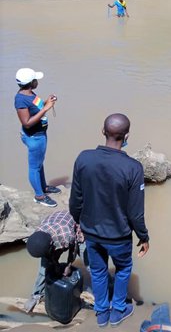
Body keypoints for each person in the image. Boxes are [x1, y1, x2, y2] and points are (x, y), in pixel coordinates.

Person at [69, 113, 149, 328]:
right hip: (119, 236)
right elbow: (135, 213)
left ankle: (102, 313)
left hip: (91, 233)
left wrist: (78, 223)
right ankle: (118, 311)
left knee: (97, 271)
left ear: (102, 131)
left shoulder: (83, 158)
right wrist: (143, 236)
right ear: (127, 136)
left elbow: (75, 199)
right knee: (122, 270)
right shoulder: (133, 168)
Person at [14, 68, 60, 207]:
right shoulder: (21, 99)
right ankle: (39, 196)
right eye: (36, 80)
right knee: (34, 167)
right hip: (34, 137)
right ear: (31, 82)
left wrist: (47, 102)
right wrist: (46, 108)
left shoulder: (29, 94)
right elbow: (27, 123)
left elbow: (36, 108)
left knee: (39, 163)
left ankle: (44, 187)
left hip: (39, 135)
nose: (37, 82)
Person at [24, 210, 85, 313]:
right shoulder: (38, 234)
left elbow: (73, 249)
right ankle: (36, 294)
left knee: (90, 263)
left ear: (51, 245)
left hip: (75, 226)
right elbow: (47, 257)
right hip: (54, 228)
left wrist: (69, 265)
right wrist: (54, 264)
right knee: (44, 268)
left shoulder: (65, 235)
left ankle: (104, 288)